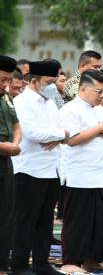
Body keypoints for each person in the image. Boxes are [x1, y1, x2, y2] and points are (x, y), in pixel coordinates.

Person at [11, 60, 67, 275]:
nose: (53, 86)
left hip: (51, 169)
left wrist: (58, 134)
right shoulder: (23, 102)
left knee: (45, 223)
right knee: (26, 221)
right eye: (48, 82)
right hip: (29, 169)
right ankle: (19, 264)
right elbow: (33, 133)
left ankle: (42, 264)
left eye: (54, 81)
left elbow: (62, 127)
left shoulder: (50, 101)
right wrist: (60, 135)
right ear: (33, 81)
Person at [59, 70, 103, 273]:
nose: (101, 96)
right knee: (78, 221)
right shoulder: (70, 109)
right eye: (98, 92)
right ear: (83, 88)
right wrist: (99, 129)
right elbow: (72, 140)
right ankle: (70, 260)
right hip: (79, 174)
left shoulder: (100, 110)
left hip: (101, 173)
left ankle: (93, 259)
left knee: (99, 220)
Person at [0, 55, 22, 275]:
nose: (5, 84)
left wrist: (15, 144)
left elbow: (16, 124)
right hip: (4, 152)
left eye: (8, 80)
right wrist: (6, 147)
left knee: (6, 217)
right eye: (3, 79)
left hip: (5, 164)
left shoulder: (6, 97)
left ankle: (1, 265)